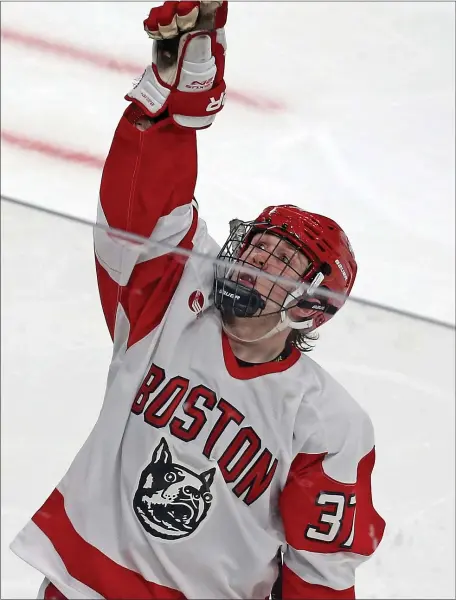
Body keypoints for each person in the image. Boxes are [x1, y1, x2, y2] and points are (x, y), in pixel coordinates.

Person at [11, 2, 385, 599]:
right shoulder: (173, 303)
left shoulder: (329, 424)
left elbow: (319, 576)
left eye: (282, 263)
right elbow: (137, 215)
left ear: (309, 308)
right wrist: (169, 103)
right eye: (258, 246)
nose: (258, 260)